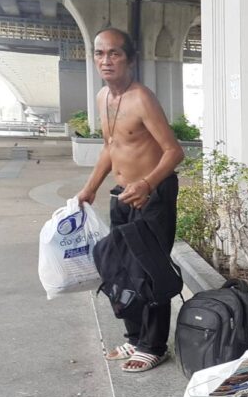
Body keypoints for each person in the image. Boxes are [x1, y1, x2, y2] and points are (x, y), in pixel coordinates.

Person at [76, 27, 185, 373]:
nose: (106, 60)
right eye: (99, 53)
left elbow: (174, 151)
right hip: (123, 194)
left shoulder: (141, 98)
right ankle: (136, 338)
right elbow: (111, 147)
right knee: (120, 269)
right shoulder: (102, 98)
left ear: (130, 59)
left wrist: (147, 183)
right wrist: (90, 187)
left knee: (149, 271)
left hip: (152, 196)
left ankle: (154, 346)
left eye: (114, 53)